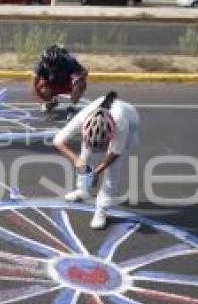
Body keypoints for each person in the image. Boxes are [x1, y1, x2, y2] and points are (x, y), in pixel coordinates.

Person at [53, 91, 141, 230]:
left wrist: (97, 172)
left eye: (102, 145)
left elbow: (115, 153)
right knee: (85, 156)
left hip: (131, 122)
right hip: (99, 128)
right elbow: (58, 141)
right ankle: (83, 190)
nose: (98, 149)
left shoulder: (121, 125)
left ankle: (101, 210)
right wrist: (76, 160)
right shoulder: (82, 118)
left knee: (113, 172)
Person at [32, 44, 87, 118]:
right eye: (49, 65)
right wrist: (40, 101)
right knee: (41, 89)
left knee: (81, 83)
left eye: (54, 65)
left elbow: (84, 72)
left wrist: (77, 78)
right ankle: (51, 102)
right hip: (51, 84)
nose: (52, 67)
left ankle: (72, 106)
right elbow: (34, 86)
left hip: (67, 83)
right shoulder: (39, 66)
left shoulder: (69, 61)